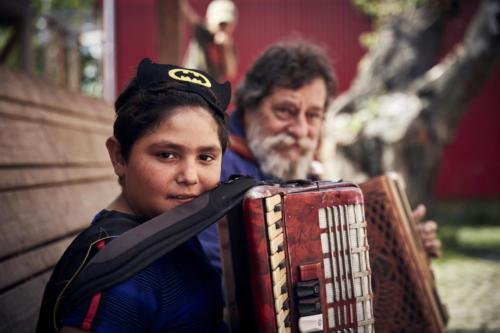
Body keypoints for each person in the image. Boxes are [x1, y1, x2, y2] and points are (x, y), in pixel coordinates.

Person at [198, 41, 441, 273]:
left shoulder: (295, 171)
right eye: (285, 111)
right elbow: (213, 280)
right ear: (249, 108)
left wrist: (399, 248)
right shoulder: (213, 165)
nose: (301, 130)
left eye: (313, 115)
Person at [37, 59, 232, 333]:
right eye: (167, 154)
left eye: (206, 157)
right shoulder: (119, 269)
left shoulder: (174, 226)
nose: (190, 176)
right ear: (119, 156)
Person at [181, 0, 238, 81]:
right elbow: (188, 14)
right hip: (191, 82)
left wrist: (226, 49)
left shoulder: (228, 44)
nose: (222, 28)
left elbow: (230, 72)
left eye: (226, 24)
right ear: (208, 20)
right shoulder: (202, 32)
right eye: (220, 24)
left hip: (211, 88)